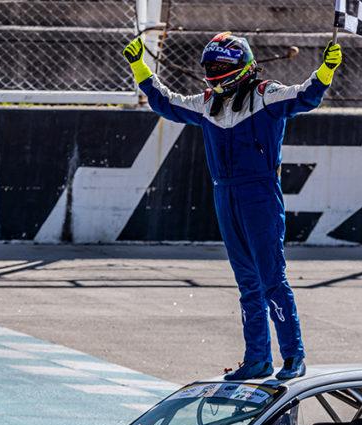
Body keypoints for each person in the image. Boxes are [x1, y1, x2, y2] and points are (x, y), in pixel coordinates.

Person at [122, 32, 343, 381]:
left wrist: (325, 70)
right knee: (247, 284)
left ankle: (293, 356)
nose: (213, 73)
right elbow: (166, 103)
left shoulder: (266, 94)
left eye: (219, 67)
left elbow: (306, 96)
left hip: (260, 195)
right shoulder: (207, 103)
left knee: (272, 279)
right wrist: (140, 68)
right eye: (209, 68)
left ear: (240, 67)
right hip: (224, 195)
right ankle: (257, 359)